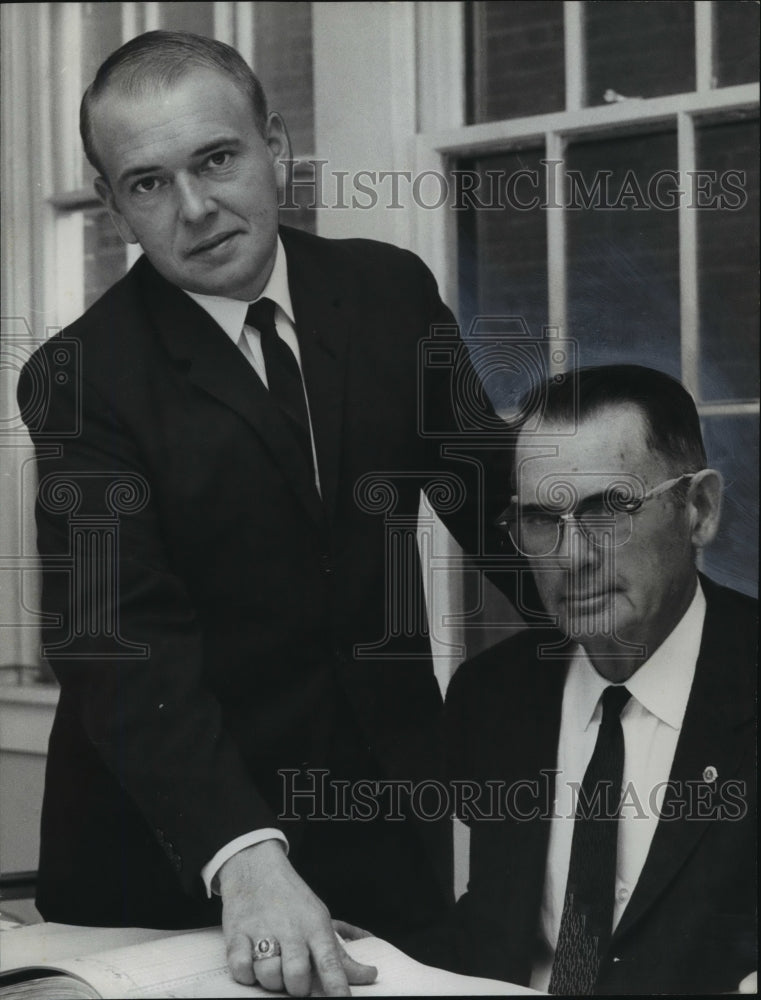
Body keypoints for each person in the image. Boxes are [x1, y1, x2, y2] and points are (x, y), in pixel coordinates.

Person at [17, 30, 509, 997]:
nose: (195, 208)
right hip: (170, 864)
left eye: (217, 158)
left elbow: (494, 508)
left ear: (275, 148)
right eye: (148, 183)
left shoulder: (388, 294)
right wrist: (240, 854)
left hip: (383, 828)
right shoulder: (80, 378)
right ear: (114, 202)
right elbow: (119, 641)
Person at [435, 365, 757, 994]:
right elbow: (486, 935)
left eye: (609, 509)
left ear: (699, 509)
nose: (570, 555)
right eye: (539, 519)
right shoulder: (490, 696)